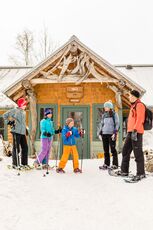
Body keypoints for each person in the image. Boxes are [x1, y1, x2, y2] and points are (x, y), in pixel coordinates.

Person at [119, 90, 146, 181]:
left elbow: (140, 119)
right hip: (130, 132)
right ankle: (124, 171)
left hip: (136, 132)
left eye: (130, 95)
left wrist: (135, 130)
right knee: (125, 151)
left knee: (138, 153)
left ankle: (141, 173)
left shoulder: (139, 105)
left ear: (134, 96)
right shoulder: (133, 106)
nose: (129, 97)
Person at [3, 98, 28, 168]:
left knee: (25, 147)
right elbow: (4, 115)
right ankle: (15, 164)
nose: (25, 105)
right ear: (21, 104)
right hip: (16, 131)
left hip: (22, 132)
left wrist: (25, 129)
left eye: (25, 104)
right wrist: (9, 122)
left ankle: (24, 164)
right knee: (16, 148)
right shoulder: (14, 110)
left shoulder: (24, 112)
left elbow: (22, 123)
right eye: (24, 104)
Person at [99, 100, 119, 170]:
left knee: (113, 150)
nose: (105, 108)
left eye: (106, 107)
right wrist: (100, 132)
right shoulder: (104, 115)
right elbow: (102, 124)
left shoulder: (114, 114)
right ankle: (106, 164)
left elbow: (117, 124)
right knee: (106, 150)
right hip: (104, 134)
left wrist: (115, 132)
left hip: (111, 134)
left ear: (110, 107)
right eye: (104, 107)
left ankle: (115, 164)